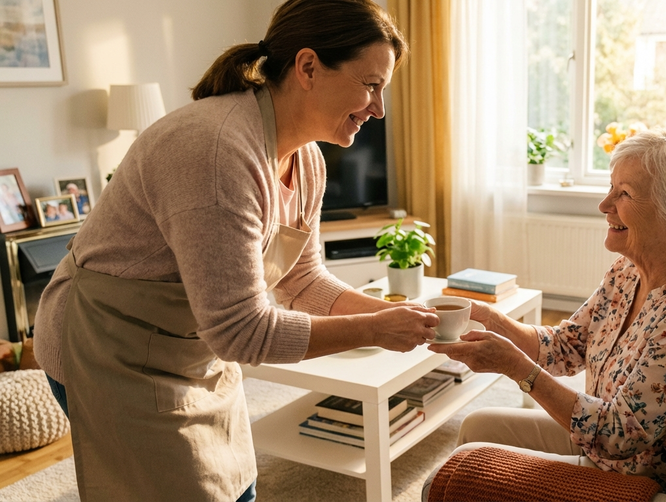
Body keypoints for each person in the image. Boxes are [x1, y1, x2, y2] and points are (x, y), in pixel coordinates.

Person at [33, 1, 437, 501]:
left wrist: (402, 317)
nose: (379, 109)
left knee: (236, 484)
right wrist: (376, 330)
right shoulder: (217, 150)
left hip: (194, 342)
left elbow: (302, 281)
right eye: (371, 85)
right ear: (308, 67)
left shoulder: (307, 160)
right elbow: (242, 332)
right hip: (108, 347)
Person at [428, 128, 666, 494]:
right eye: (611, 187)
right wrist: (493, 319)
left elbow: (620, 436)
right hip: (601, 445)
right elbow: (566, 347)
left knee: (466, 463)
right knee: (477, 425)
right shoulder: (629, 270)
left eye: (624, 193)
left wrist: (513, 366)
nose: (604, 205)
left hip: (638, 478)